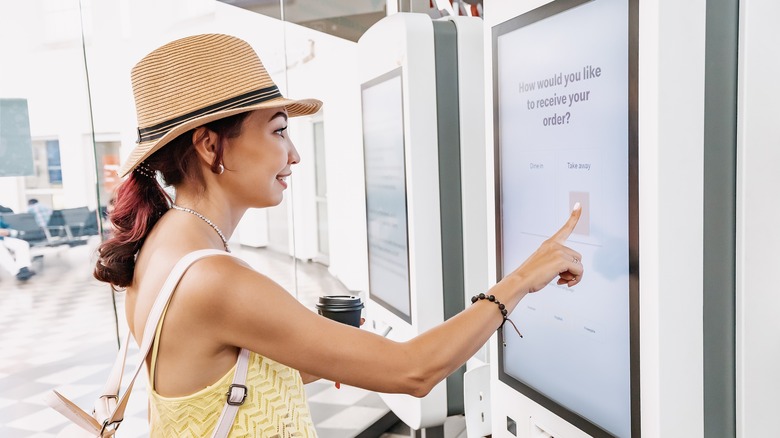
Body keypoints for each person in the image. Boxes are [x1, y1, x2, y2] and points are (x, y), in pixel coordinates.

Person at [94, 34, 583, 437]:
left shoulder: (164, 243)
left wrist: (330, 353)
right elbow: (414, 371)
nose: (294, 155)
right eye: (278, 131)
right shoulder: (212, 277)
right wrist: (521, 279)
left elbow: (212, 379)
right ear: (209, 145)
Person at [0, 215, 36, 281]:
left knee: (22, 244)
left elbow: (7, 227)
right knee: (1, 250)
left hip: (3, 238)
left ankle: (23, 268)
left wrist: (8, 231)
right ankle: (16, 272)